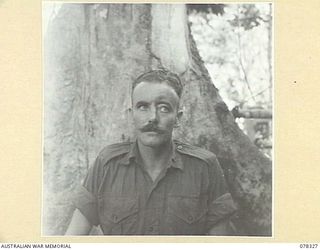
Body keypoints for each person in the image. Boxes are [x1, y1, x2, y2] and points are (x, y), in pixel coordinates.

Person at [65, 69, 237, 235]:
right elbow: (71, 240)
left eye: (163, 108)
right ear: (132, 114)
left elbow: (220, 244)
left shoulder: (204, 167)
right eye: (142, 107)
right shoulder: (107, 164)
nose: (152, 117)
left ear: (178, 117)